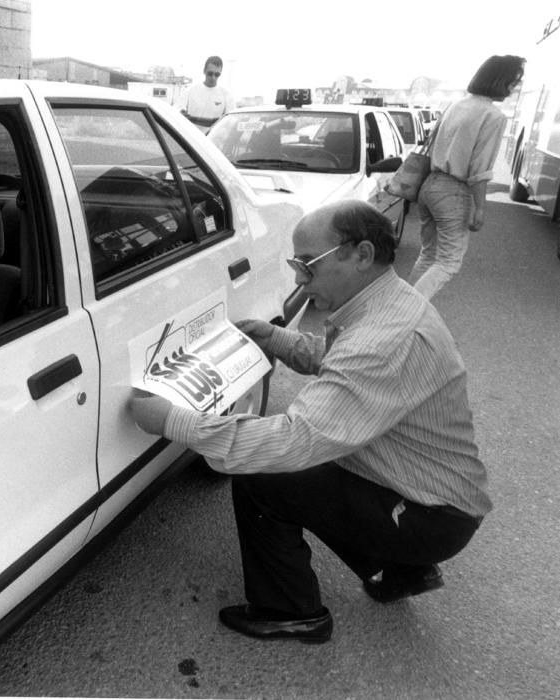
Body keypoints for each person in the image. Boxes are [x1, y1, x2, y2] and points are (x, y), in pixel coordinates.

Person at [129, 199, 491, 643]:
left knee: (265, 474)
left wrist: (173, 421)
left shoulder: (383, 339)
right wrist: (276, 338)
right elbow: (344, 364)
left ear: (361, 254)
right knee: (319, 470)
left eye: (307, 264)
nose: (299, 278)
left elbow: (295, 440)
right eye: (295, 263)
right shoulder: (388, 303)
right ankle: (403, 571)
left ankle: (292, 611)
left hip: (429, 514)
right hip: (429, 497)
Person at [407, 54, 525, 299]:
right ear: (499, 80)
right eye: (513, 83)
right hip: (453, 191)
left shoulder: (455, 105)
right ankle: (403, 313)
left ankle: (401, 304)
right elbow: (480, 170)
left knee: (428, 254)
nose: (514, 89)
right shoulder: (493, 115)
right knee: (449, 261)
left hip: (429, 186)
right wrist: (480, 208)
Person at [178, 56, 235, 132]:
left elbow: (229, 121)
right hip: (191, 138)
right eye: (210, 73)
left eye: (217, 74)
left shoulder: (226, 95)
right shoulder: (190, 91)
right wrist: (214, 121)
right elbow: (179, 114)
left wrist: (192, 119)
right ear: (204, 71)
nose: (213, 77)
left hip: (212, 140)